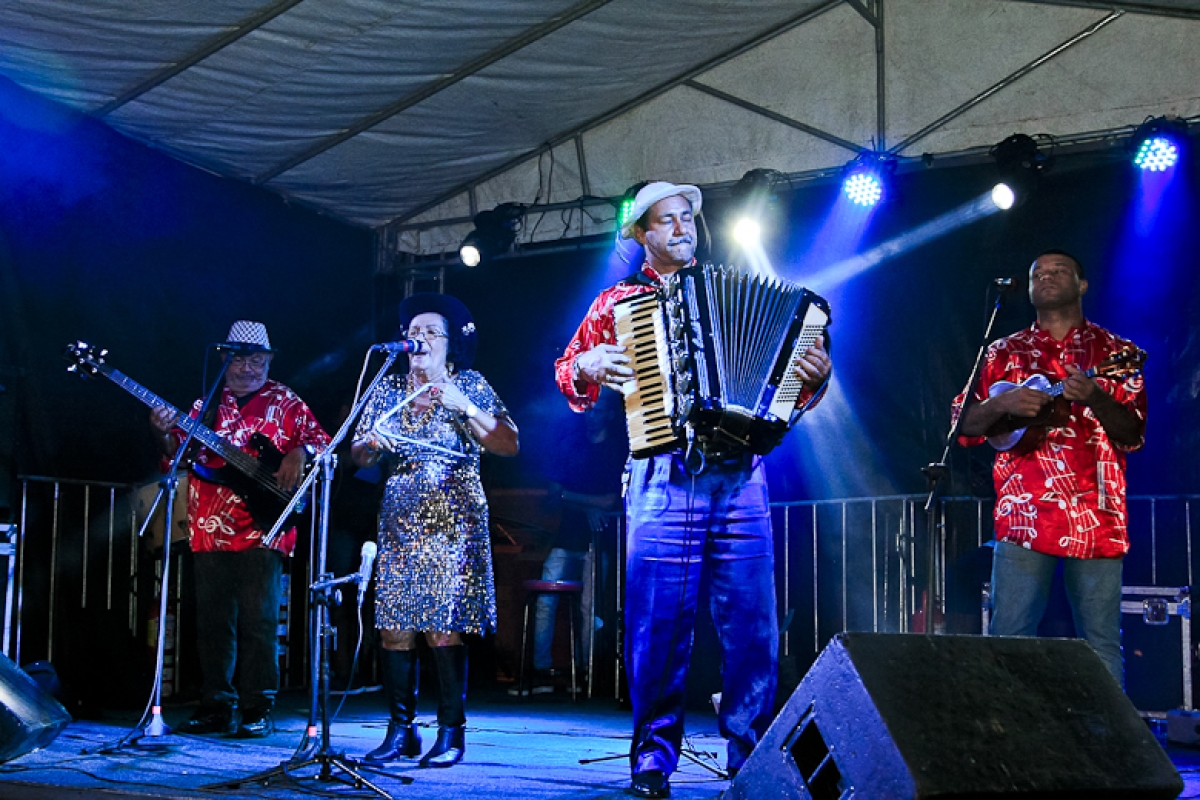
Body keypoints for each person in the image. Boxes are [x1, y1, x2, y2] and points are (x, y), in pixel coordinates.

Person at [554, 182, 831, 798]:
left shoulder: (736, 289)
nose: (682, 228)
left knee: (753, 625)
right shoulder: (619, 302)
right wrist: (590, 366)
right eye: (667, 220)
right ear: (643, 236)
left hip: (740, 478)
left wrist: (815, 377)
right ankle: (652, 760)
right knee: (658, 625)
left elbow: (790, 390)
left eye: (687, 218)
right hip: (663, 474)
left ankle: (751, 756)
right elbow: (566, 374)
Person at [954, 250, 1147, 685]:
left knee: (1100, 642)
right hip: (1024, 515)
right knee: (1010, 637)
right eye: (1037, 273)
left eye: (1059, 270)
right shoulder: (1003, 352)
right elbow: (961, 425)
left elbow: (1133, 434)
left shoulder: (1117, 351)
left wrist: (1096, 397)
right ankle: (1010, 747)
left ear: (1082, 285)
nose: (1047, 276)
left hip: (1097, 515)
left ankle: (1107, 747)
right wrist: (1002, 403)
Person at [351, 293, 518, 769]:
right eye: (413, 331)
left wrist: (465, 405)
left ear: (450, 344)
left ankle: (451, 732)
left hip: (454, 519)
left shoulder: (470, 383)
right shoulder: (388, 389)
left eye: (429, 331)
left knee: (442, 627)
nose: (418, 337)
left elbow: (509, 444)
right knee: (395, 629)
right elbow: (358, 455)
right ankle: (401, 732)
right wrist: (370, 444)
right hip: (401, 520)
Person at [150, 320, 330, 737]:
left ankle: (257, 707)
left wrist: (299, 450)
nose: (250, 367)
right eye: (241, 358)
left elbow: (324, 442)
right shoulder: (204, 406)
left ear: (268, 359)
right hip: (208, 527)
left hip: (265, 526)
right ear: (224, 360)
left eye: (258, 358)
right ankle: (216, 704)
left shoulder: (285, 401)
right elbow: (174, 460)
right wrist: (162, 436)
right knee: (212, 623)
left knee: (259, 621)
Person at [526, 392, 626, 695]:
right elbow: (554, 493)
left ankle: (587, 674)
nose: (591, 415)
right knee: (545, 602)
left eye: (598, 410)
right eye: (589, 409)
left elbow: (611, 499)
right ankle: (540, 671)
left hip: (599, 540)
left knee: (589, 609)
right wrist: (587, 507)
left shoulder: (616, 449)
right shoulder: (571, 444)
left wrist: (573, 498)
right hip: (567, 535)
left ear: (609, 414)